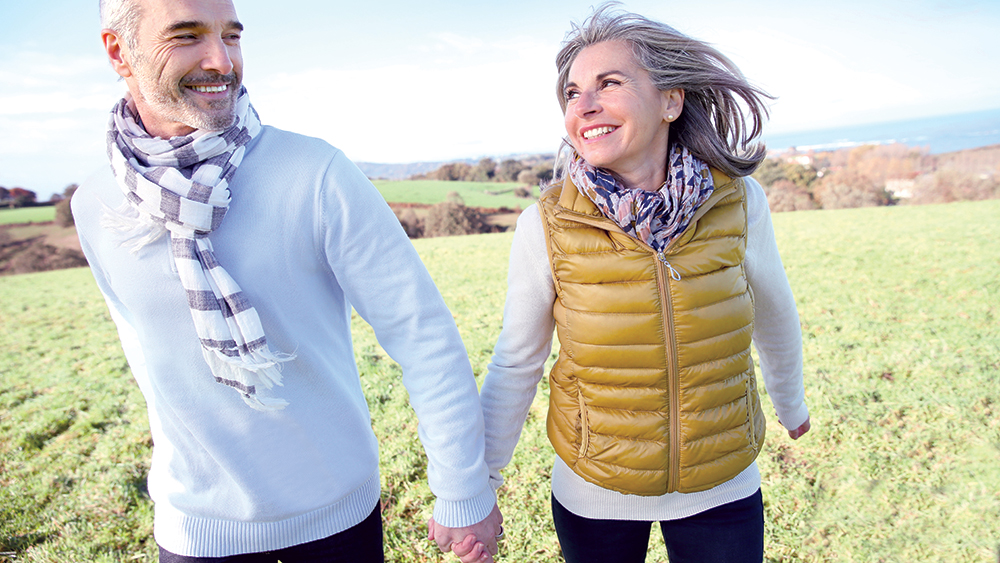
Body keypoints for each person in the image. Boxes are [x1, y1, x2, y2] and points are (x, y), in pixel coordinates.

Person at [72, 0, 502, 561]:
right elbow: (149, 364)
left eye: (231, 36)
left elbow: (422, 335)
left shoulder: (314, 173)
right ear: (117, 52)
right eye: (187, 36)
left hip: (335, 523)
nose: (221, 61)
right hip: (193, 532)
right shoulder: (96, 204)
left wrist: (463, 492)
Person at [479, 5, 811, 563]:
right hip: (593, 492)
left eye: (608, 83)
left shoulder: (738, 201)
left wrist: (790, 400)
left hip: (723, 485)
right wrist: (481, 477)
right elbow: (517, 359)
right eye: (571, 92)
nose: (584, 105)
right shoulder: (547, 223)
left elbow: (774, 311)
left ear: (670, 100)